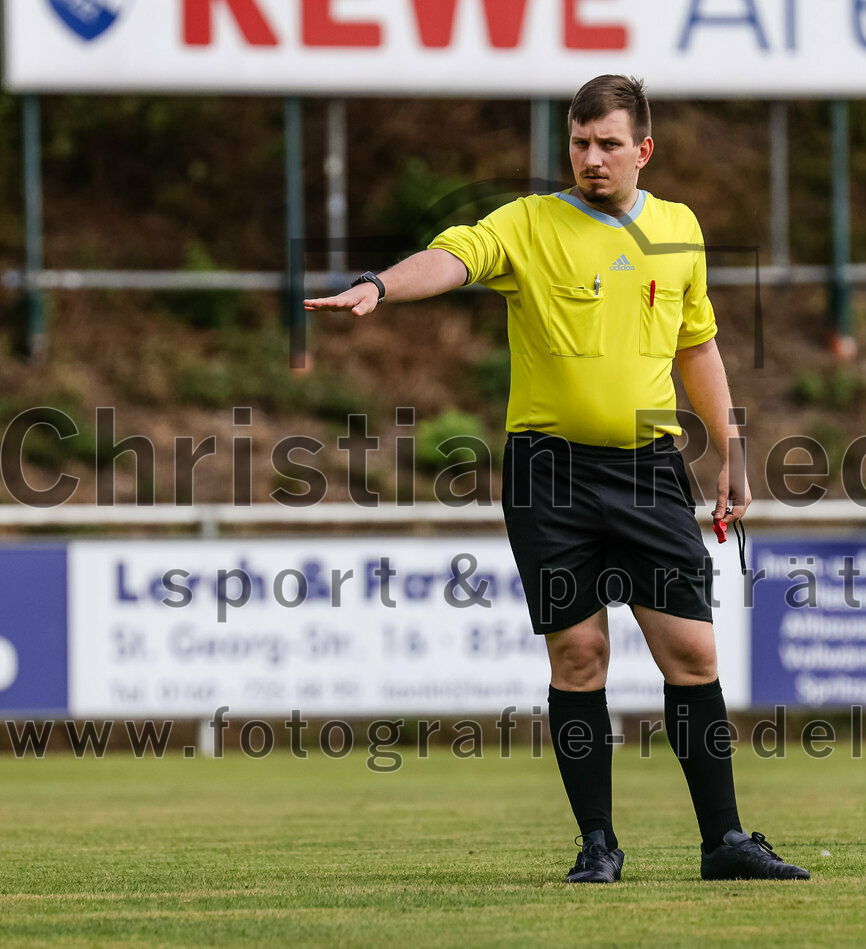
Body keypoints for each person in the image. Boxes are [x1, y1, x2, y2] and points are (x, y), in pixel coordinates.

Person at [305, 75, 809, 884]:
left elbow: (697, 346)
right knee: (578, 658)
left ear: (643, 149)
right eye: (579, 142)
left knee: (691, 651)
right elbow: (453, 255)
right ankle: (598, 844)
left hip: (648, 468)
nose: (591, 158)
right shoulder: (530, 222)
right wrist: (377, 286)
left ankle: (725, 841)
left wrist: (732, 451)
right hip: (549, 472)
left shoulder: (679, 230)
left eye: (609, 143)